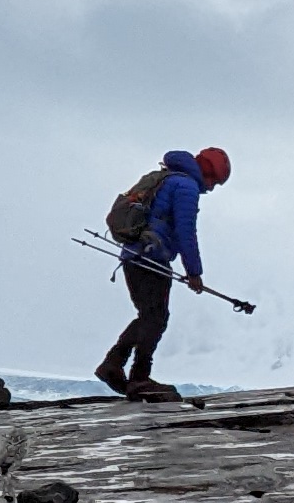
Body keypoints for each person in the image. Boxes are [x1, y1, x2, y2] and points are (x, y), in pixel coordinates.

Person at [97, 145, 231, 398]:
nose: (212, 188)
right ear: (208, 173)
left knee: (149, 315)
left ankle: (113, 365)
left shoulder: (168, 178)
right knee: (155, 317)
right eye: (214, 182)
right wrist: (194, 272)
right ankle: (138, 378)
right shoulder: (186, 187)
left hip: (133, 254)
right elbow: (185, 231)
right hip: (152, 257)